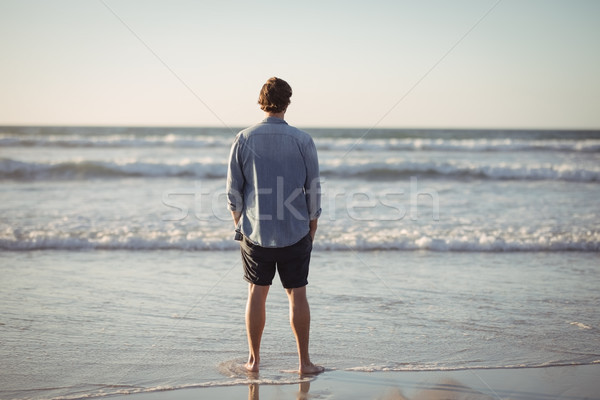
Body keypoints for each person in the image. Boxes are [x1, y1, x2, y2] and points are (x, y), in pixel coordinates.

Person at [226, 77, 323, 375]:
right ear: (287, 102)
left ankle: (254, 361)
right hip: (295, 230)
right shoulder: (303, 139)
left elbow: (234, 191)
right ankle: (304, 363)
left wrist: (240, 223)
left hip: (257, 232)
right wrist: (312, 226)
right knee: (298, 293)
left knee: (256, 292)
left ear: (261, 101)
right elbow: (313, 188)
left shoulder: (243, 138)